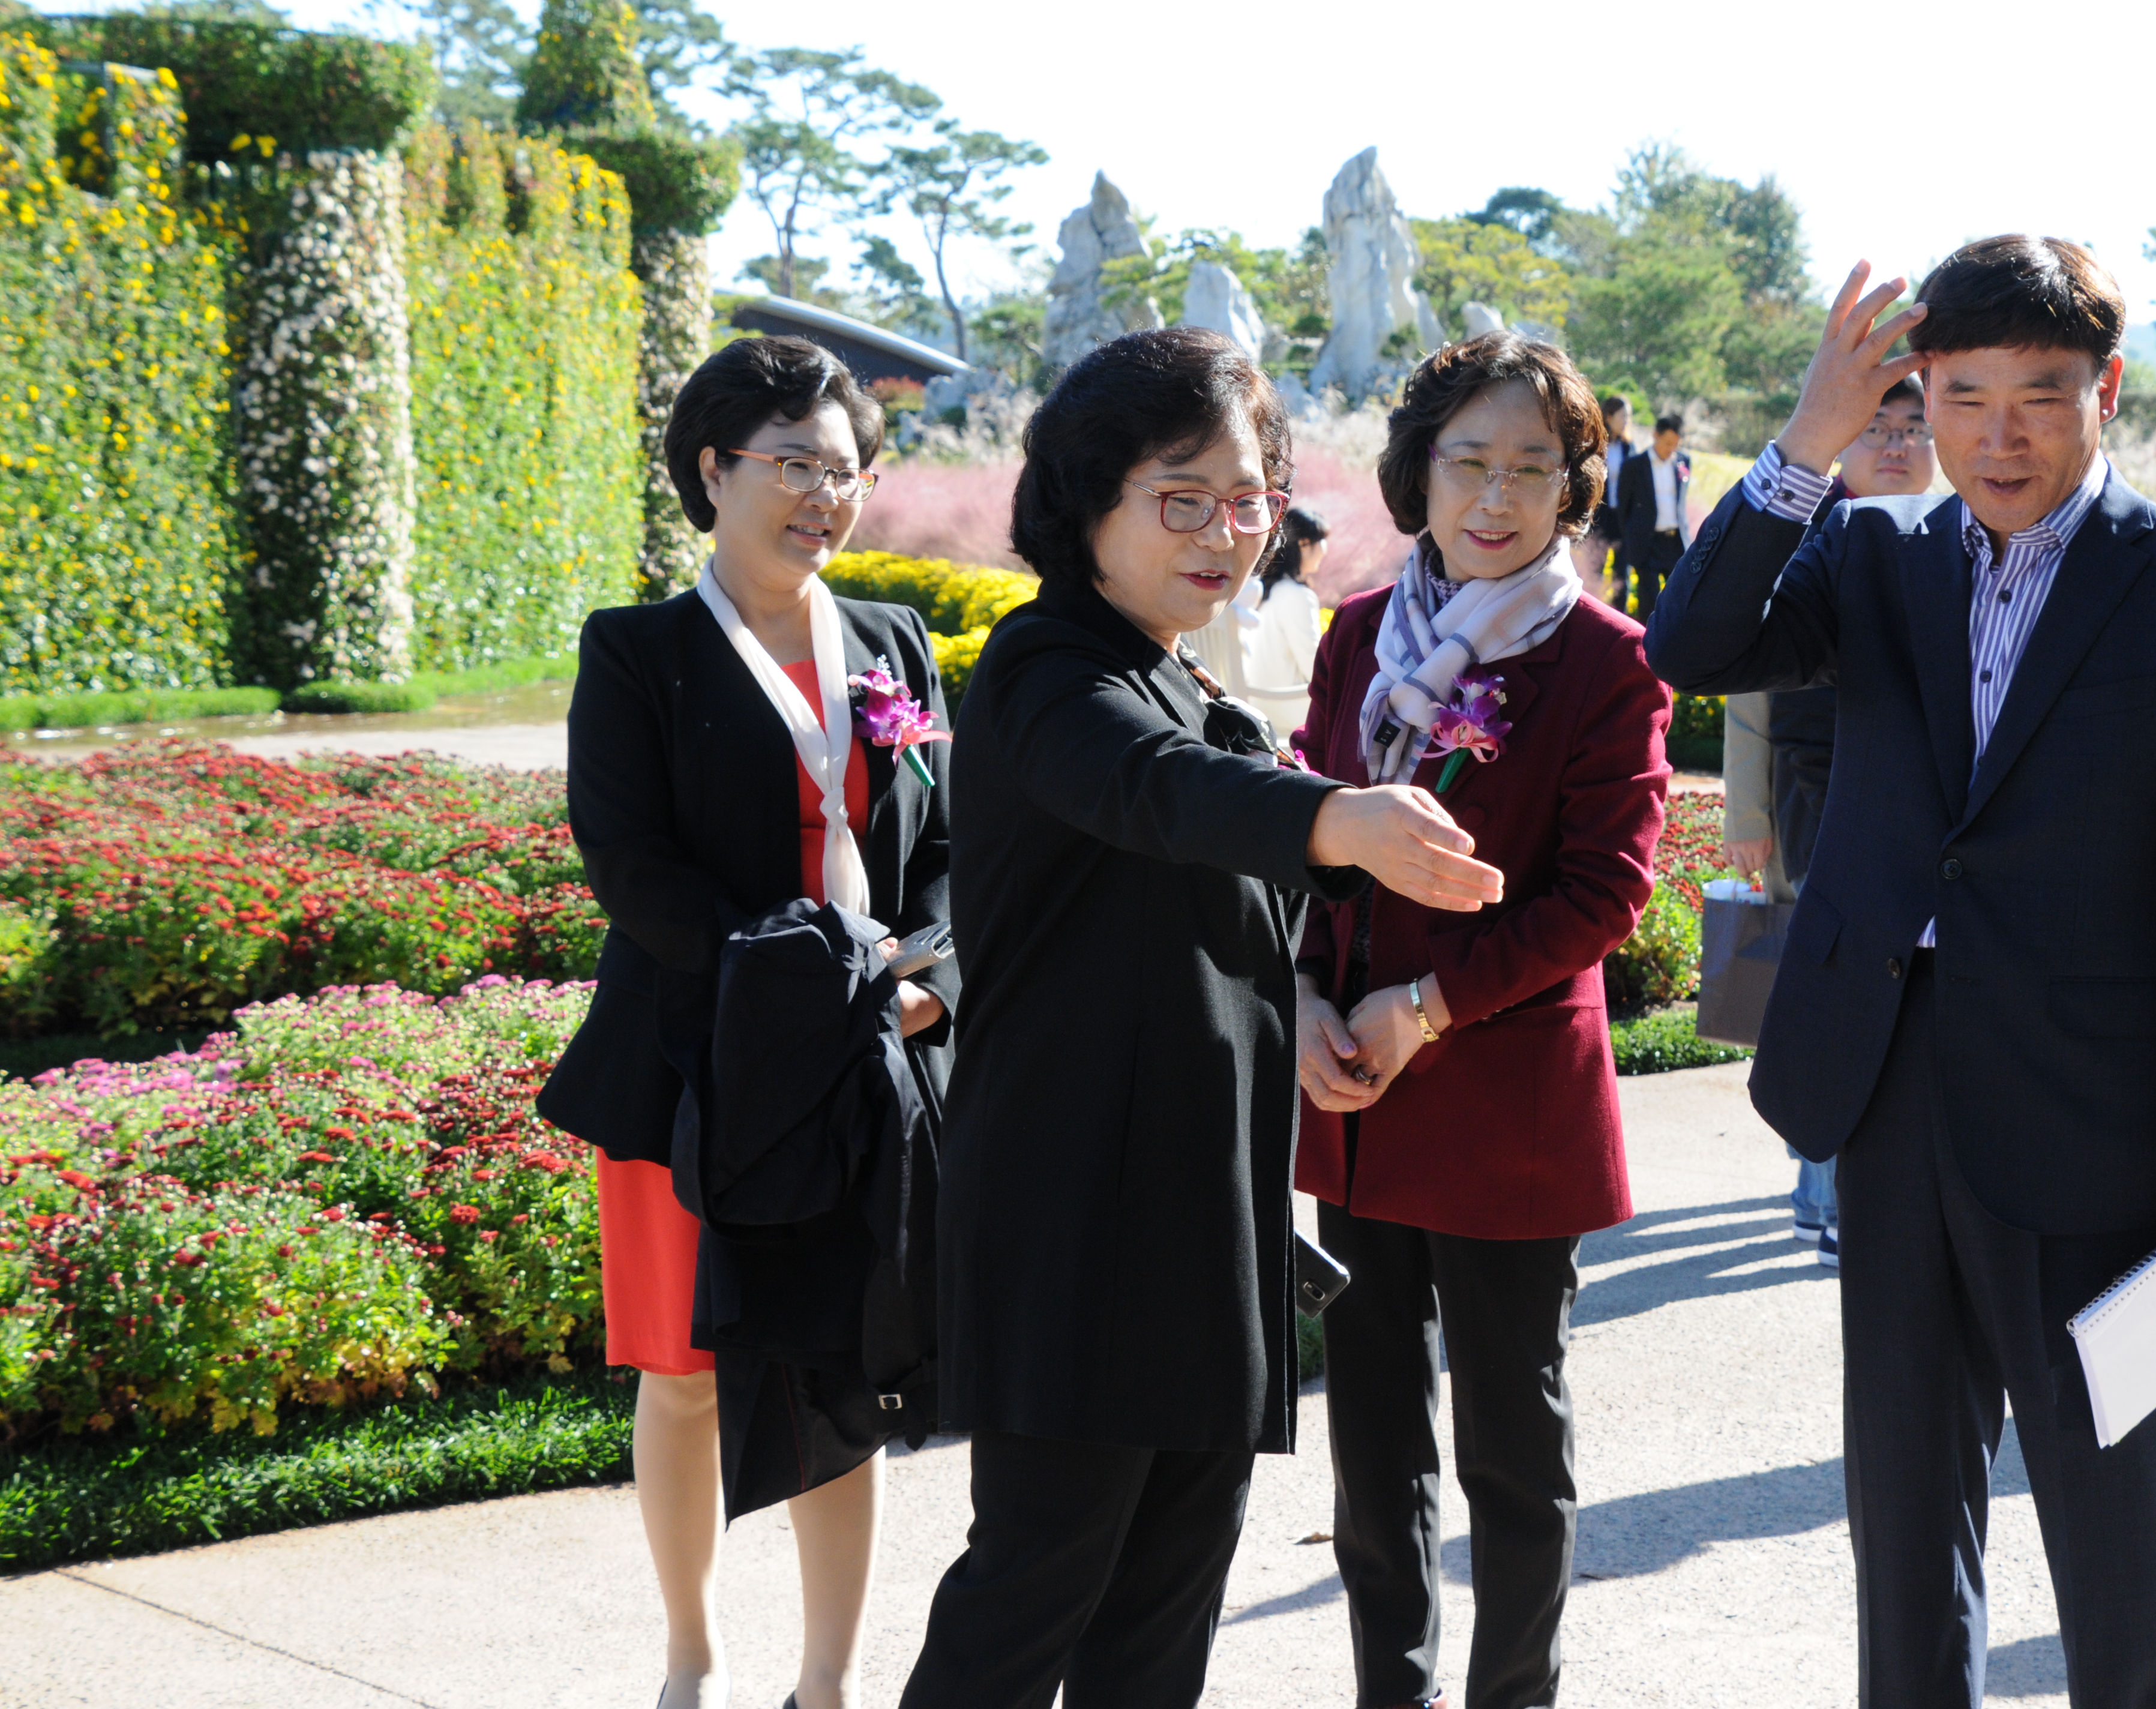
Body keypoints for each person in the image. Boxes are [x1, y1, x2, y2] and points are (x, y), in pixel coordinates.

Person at [1647, 239, 2156, 1707]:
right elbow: (1692, 642)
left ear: (2104, 392)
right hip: (1885, 1079)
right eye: (1962, 394)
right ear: (1918, 398)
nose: (2000, 433)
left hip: (2099, 1114)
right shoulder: (1872, 555)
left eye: (2040, 395)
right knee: (1900, 1496)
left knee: (2117, 1509)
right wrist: (1809, 439)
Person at [900, 327, 1506, 1709]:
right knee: (1036, 1582)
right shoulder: (1050, 673)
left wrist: (1304, 1002)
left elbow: (1202, 900)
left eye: (1250, 498)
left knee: (1164, 1611)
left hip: (1200, 1217)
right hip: (1072, 1225)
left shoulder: (1183, 679)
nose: (1227, 533)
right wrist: (1338, 816)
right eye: (1183, 496)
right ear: (1084, 499)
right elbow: (1156, 790)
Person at [537, 335, 959, 1709]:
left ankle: (827, 1681)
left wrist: (929, 978)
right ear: (713, 470)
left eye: (841, 471)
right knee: (684, 1376)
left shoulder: (892, 642)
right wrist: (811, 991)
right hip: (689, 1067)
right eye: (790, 466)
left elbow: (954, 851)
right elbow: (634, 867)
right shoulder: (639, 650)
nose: (818, 496)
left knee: (836, 1383)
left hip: (869, 1067)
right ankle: (689, 1653)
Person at [1292, 331, 1671, 1709]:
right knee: (1371, 1445)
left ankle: (1513, 1693)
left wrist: (1426, 1002)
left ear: (1573, 483)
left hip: (1503, 1103)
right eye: (1468, 462)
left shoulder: (1605, 658)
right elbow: (1301, 835)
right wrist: (1302, 998)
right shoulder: (1351, 638)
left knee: (1514, 1447)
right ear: (1419, 472)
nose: (1495, 496)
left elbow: (1604, 890)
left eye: (1529, 465)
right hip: (1353, 1101)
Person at [1713, 373, 1937, 1267]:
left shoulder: (1971, 540)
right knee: (1827, 998)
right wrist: (1748, 810)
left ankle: (1842, 1191)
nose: (1895, 444)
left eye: (1913, 427)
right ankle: (1824, 1196)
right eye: (1875, 426)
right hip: (1814, 793)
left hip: (1927, 823)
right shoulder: (1808, 539)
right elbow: (1747, 693)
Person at [1238, 503, 1330, 733]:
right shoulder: (1298, 595)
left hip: (1257, 702)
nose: (1326, 549)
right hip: (1287, 707)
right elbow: (1314, 666)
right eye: (1322, 540)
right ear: (1304, 545)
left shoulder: (1268, 589)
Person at [1614, 413, 1693, 623]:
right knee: (1648, 601)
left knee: (1680, 597)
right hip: (1647, 543)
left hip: (1676, 541)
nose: (1671, 449)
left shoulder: (1684, 462)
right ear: (1655, 435)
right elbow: (1624, 509)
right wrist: (1632, 538)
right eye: (1667, 443)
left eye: (1676, 445)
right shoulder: (1634, 466)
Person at [1590, 394, 1636, 598]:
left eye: (1628, 417)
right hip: (1600, 516)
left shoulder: (1629, 448)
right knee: (1595, 571)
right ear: (1609, 417)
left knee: (1622, 576)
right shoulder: (1596, 447)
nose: (1626, 421)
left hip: (1622, 518)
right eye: (1623, 416)